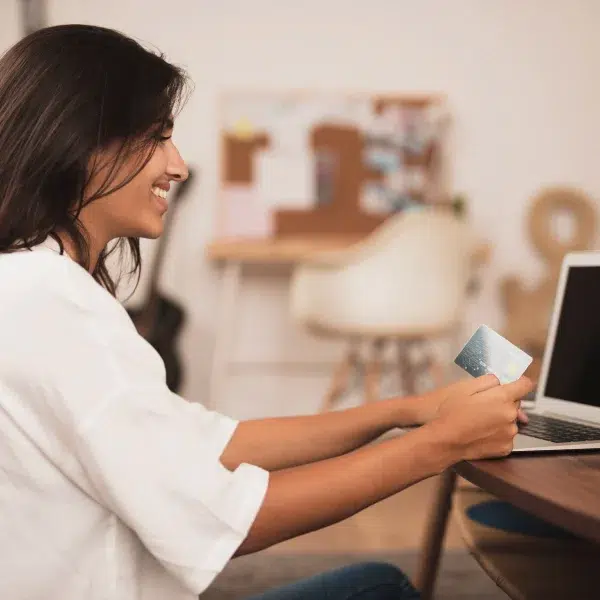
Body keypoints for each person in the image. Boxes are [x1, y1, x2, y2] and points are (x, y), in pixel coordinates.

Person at [0, 24, 533, 600]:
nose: (177, 166)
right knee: (380, 589)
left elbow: (216, 447)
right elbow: (236, 521)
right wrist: (443, 444)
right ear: (81, 141)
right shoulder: (56, 308)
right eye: (157, 138)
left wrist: (408, 410)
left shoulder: (30, 287)